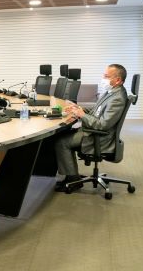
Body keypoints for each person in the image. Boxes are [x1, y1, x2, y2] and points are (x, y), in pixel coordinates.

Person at [53, 64, 128, 193]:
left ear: (118, 80)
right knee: (62, 135)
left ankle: (72, 180)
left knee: (61, 142)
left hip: (99, 136)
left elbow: (103, 124)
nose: (103, 78)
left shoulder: (118, 98)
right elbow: (96, 111)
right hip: (93, 131)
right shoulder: (112, 92)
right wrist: (78, 108)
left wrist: (82, 115)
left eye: (106, 76)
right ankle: (71, 174)